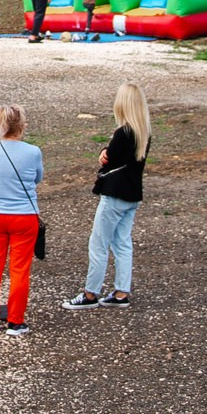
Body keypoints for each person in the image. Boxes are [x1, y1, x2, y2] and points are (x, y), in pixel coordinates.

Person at [65, 82, 151, 309]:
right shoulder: (144, 132)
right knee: (122, 243)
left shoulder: (122, 132)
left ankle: (90, 293)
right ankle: (121, 292)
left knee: (98, 243)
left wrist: (104, 151)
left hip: (114, 193)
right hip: (132, 194)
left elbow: (109, 157)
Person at [0, 103, 43, 337]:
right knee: (19, 269)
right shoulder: (33, 151)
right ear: (21, 126)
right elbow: (37, 178)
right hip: (24, 216)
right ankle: (15, 321)